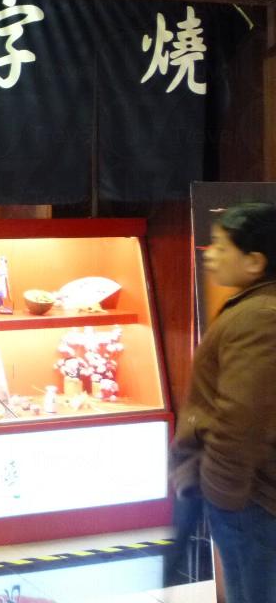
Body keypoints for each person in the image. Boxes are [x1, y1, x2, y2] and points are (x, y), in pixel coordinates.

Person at [170, 202, 276, 602]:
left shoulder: (259, 317)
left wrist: (221, 491)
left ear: (254, 261)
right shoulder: (257, 307)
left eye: (220, 246)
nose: (209, 254)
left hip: (251, 498)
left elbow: (242, 417)